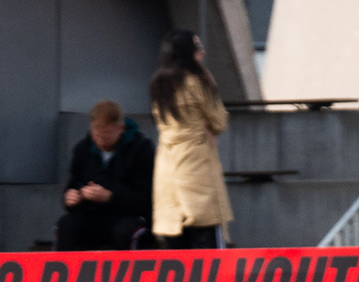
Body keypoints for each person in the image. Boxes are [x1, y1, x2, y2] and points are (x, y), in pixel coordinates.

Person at [149, 29, 232, 249]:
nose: (202, 52)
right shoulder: (197, 81)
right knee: (209, 251)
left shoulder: (158, 84)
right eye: (197, 47)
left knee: (176, 253)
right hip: (197, 168)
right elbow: (219, 122)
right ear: (187, 52)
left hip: (167, 168)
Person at [56, 100, 155, 252]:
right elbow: (73, 184)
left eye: (106, 136)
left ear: (121, 128)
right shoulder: (83, 149)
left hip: (129, 216)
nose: (100, 141)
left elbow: (147, 199)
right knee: (67, 225)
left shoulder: (142, 149)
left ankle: (125, 273)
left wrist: (111, 197)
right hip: (93, 216)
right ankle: (66, 273)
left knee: (124, 232)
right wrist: (70, 197)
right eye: (97, 135)